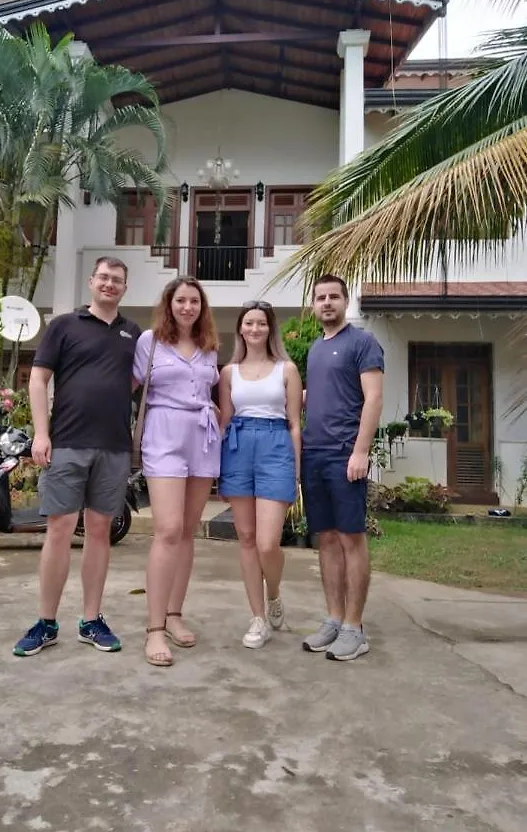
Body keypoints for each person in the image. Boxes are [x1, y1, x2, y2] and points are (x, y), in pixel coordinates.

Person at [13, 256, 140, 657]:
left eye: (117, 280)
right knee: (60, 529)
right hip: (66, 442)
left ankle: (91, 619)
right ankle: (46, 622)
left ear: (124, 287)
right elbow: (38, 378)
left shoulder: (132, 333)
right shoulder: (64, 326)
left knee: (100, 531)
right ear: (91, 281)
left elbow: (140, 383)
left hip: (114, 447)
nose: (109, 284)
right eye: (103, 277)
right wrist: (41, 432)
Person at [133, 276, 221, 668]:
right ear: (169, 304)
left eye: (194, 302)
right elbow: (129, 385)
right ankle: (153, 629)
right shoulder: (149, 342)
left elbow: (214, 393)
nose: (188, 307)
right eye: (181, 300)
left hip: (203, 436)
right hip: (163, 433)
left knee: (188, 530)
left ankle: (174, 614)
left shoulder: (208, 347)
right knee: (167, 530)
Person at [301, 274, 384, 662]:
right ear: (314, 304)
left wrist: (361, 451)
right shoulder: (316, 349)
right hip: (315, 454)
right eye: (321, 297)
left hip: (345, 455)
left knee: (352, 538)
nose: (327, 302)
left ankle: (355, 627)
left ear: (345, 301)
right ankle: (334, 619)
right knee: (327, 538)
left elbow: (373, 399)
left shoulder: (362, 342)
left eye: (334, 296)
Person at [218, 301, 302, 649]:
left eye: (261, 323)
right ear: (240, 328)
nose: (255, 329)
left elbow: (296, 423)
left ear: (270, 329)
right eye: (249, 323)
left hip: (275, 446)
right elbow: (224, 420)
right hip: (237, 448)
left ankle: (275, 594)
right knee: (248, 539)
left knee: (268, 543)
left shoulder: (287, 369)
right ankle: (257, 618)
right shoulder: (228, 372)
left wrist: (296, 470)